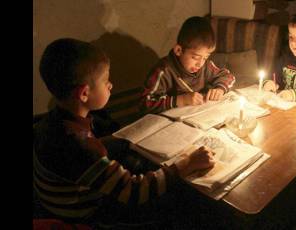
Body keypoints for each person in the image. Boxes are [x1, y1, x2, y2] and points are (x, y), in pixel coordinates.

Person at [33, 38, 215, 228]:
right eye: (105, 81)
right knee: (181, 201)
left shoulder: (53, 121)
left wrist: (117, 141)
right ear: (84, 93)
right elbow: (134, 191)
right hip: (88, 216)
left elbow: (88, 154)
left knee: (131, 154)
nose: (110, 85)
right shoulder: (80, 145)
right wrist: (186, 164)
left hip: (63, 202)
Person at [137, 16, 235, 115]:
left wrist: (220, 89)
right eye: (195, 57)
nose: (200, 64)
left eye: (205, 58)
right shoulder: (164, 71)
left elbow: (228, 76)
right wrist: (181, 100)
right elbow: (144, 103)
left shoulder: (205, 66)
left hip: (196, 115)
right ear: (178, 50)